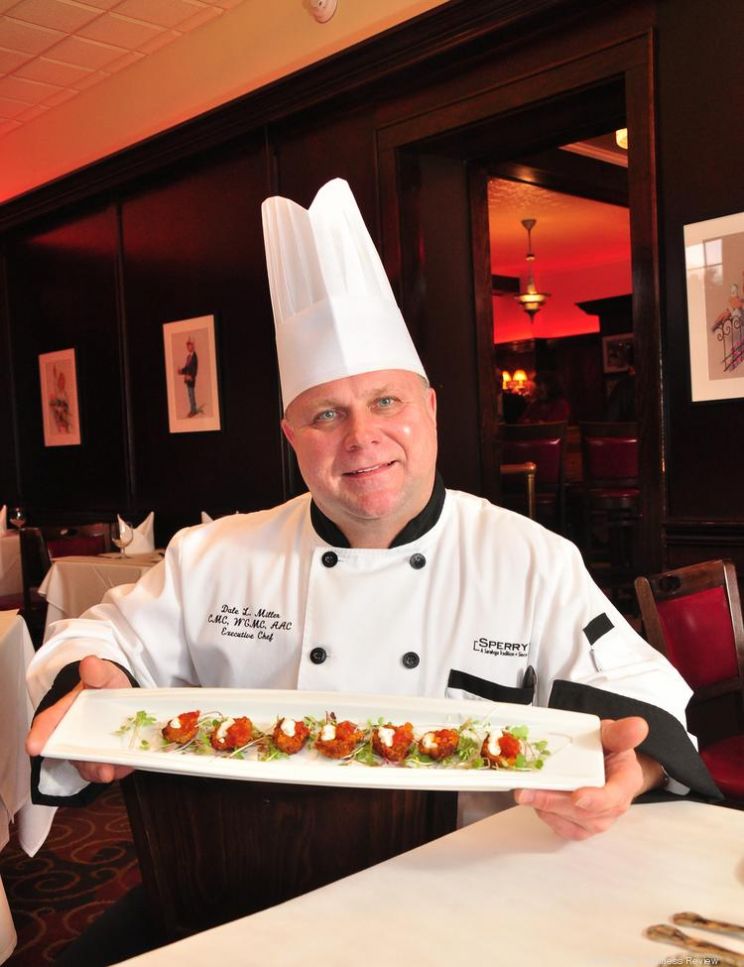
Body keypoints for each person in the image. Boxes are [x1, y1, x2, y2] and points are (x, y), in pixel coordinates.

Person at [27, 179, 717, 843]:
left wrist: (635, 766)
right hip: (254, 874)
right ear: (292, 436)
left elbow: (640, 692)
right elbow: (94, 640)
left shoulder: (530, 558)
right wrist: (92, 683)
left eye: (386, 402)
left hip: (466, 879)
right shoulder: (213, 556)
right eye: (326, 414)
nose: (362, 437)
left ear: (431, 410)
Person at [177, 338, 199, 417]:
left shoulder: (194, 357)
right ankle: (193, 409)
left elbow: (195, 369)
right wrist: (181, 371)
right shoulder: (188, 357)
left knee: (191, 395)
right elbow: (186, 368)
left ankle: (193, 410)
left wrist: (191, 376)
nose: (188, 348)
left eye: (189, 346)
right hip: (187, 379)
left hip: (191, 379)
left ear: (193, 346)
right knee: (190, 395)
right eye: (187, 347)